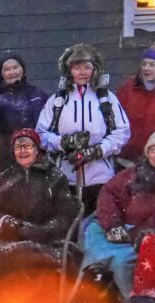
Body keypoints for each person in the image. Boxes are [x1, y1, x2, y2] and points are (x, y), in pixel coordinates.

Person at [85, 129, 155, 297]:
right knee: (94, 254)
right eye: (153, 149)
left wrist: (150, 232)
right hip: (120, 230)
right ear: (147, 153)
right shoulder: (131, 175)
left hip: (151, 237)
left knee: (123, 264)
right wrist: (113, 224)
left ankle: (134, 302)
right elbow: (109, 194)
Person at [37, 43, 130, 214]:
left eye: (87, 67)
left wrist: (97, 151)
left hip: (100, 177)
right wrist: (64, 142)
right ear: (69, 70)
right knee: (69, 224)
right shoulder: (58, 101)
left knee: (96, 224)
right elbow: (42, 135)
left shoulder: (106, 99)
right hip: (66, 177)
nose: (82, 73)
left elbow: (121, 132)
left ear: (95, 70)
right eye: (77, 67)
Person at [0, 129, 79, 285]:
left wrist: (39, 231)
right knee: (4, 257)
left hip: (48, 240)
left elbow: (65, 216)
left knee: (32, 257)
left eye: (27, 146)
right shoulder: (4, 178)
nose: (22, 151)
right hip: (10, 238)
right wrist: (9, 224)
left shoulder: (56, 177)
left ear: (36, 150)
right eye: (18, 147)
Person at [0, 51, 49, 172]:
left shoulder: (38, 95)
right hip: (8, 160)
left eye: (15, 67)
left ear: (22, 69)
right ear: (1, 74)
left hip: (39, 158)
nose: (12, 72)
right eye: (7, 69)